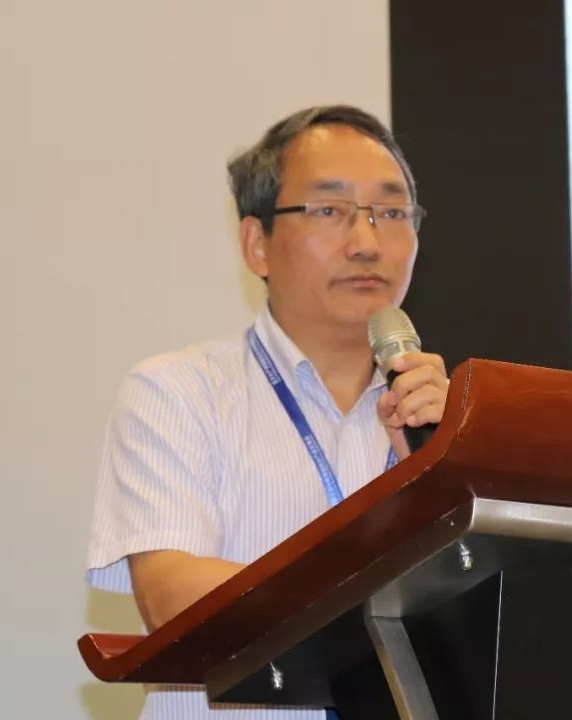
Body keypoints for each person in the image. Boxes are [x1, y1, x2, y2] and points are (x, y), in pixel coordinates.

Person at [85, 105, 450, 719]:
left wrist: (434, 468)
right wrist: (369, 596)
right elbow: (175, 597)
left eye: (390, 213)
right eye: (329, 211)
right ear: (258, 244)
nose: (366, 243)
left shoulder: (446, 419)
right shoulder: (179, 392)